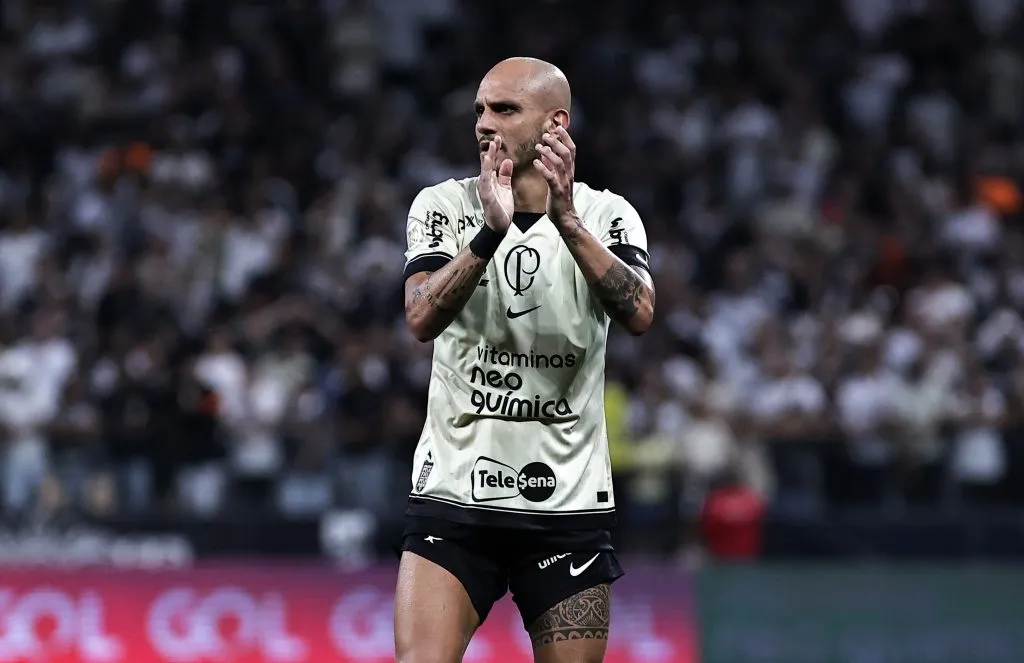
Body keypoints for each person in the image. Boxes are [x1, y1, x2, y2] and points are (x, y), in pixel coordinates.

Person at [395, 57, 655, 663]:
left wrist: (565, 221)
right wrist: (489, 233)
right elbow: (421, 318)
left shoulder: (608, 215)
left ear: (555, 122)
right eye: (480, 111)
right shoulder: (443, 205)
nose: (485, 124)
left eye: (504, 110)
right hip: (455, 500)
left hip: (565, 506)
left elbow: (640, 312)